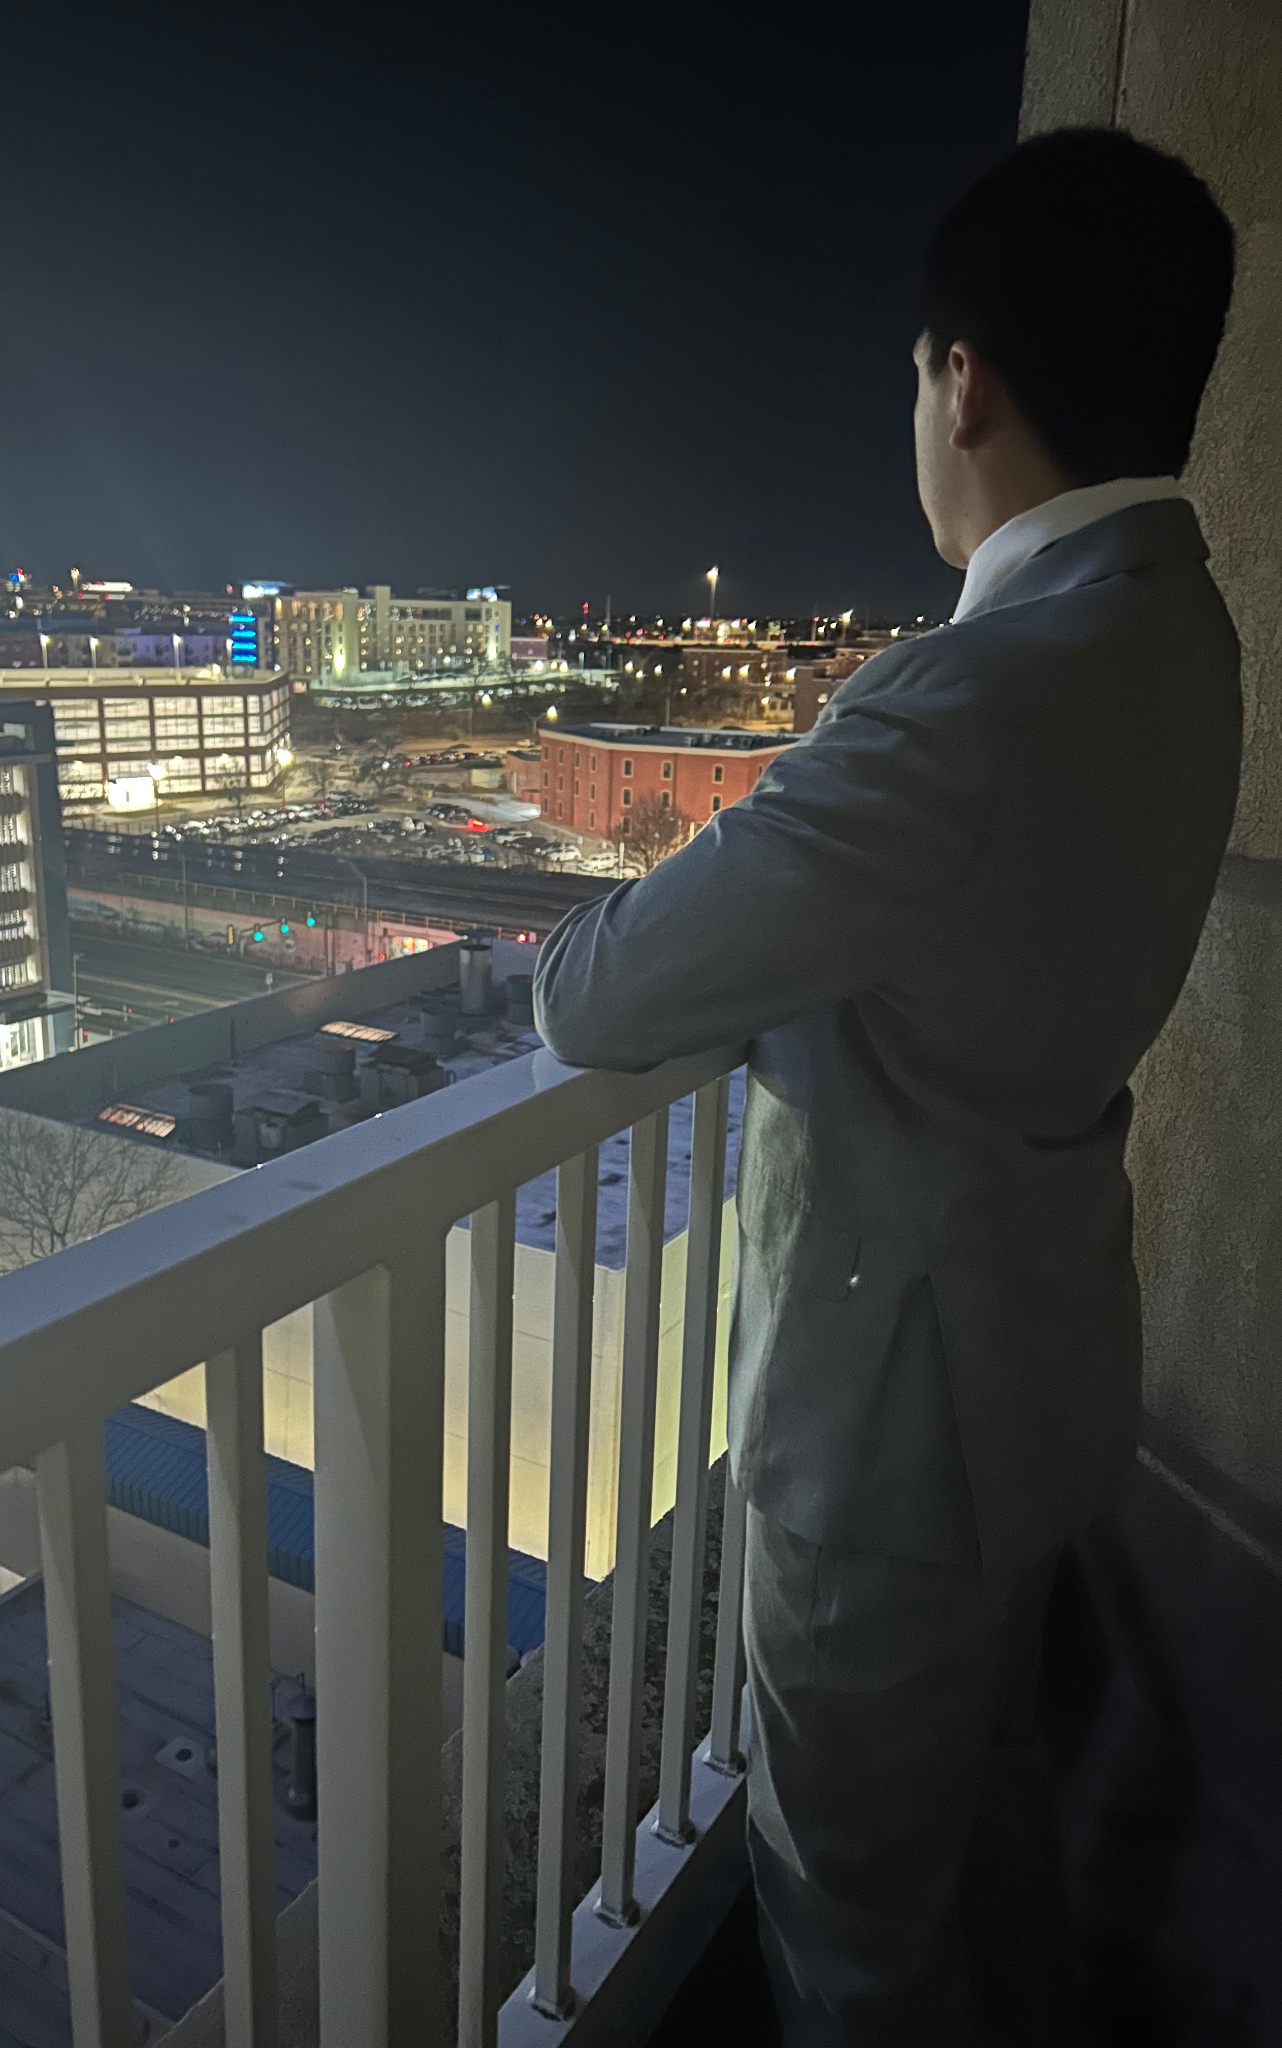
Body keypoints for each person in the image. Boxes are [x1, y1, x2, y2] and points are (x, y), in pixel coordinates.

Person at [534, 128, 1237, 2046]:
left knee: (849, 1917)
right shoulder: (1183, 631)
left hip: (891, 1434)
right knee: (988, 1819)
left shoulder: (961, 700)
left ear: (965, 380)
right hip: (1042, 1364)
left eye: (916, 383)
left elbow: (595, 995)